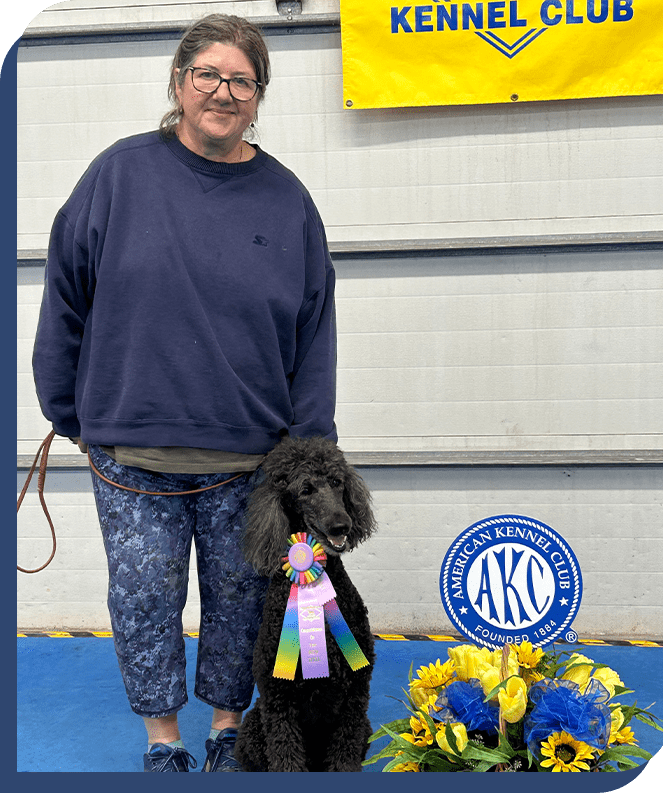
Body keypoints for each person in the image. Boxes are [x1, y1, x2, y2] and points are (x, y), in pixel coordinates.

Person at [32, 14, 337, 772]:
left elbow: (313, 331)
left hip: (250, 463)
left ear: (259, 95)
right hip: (130, 456)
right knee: (143, 603)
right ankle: (162, 742)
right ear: (177, 83)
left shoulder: (288, 200)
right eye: (208, 75)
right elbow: (64, 295)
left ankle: (229, 728)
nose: (222, 92)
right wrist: (69, 411)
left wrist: (311, 453)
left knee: (239, 606)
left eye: (241, 80)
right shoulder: (117, 175)